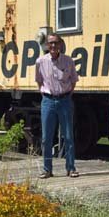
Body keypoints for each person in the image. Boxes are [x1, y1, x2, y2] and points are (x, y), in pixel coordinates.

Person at [35, 32, 79, 178]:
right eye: (50, 43)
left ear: (60, 44)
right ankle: (47, 169)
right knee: (46, 137)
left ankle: (71, 168)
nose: (53, 45)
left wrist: (64, 94)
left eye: (56, 42)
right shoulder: (40, 62)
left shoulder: (68, 61)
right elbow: (39, 81)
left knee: (68, 135)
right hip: (48, 101)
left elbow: (73, 81)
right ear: (47, 45)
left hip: (65, 100)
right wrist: (48, 95)